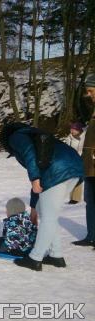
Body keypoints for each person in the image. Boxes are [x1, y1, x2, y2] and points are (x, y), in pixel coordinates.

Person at [0, 122, 84, 271]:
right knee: (48, 214)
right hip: (73, 168)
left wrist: (35, 179)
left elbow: (29, 153)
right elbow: (38, 178)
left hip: (57, 171)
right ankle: (56, 255)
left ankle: (35, 258)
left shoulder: (16, 136)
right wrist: (33, 207)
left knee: (49, 217)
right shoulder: (33, 134)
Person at [73, 73, 95, 247]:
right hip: (89, 164)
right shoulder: (93, 110)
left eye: (91, 90)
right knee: (90, 200)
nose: (89, 94)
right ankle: (91, 235)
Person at [64, 121, 86, 204]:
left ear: (79, 130)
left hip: (80, 159)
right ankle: (72, 197)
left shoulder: (84, 137)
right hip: (71, 160)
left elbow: (82, 149)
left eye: (74, 129)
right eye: (71, 129)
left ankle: (76, 198)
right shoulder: (69, 137)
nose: (72, 131)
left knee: (78, 178)